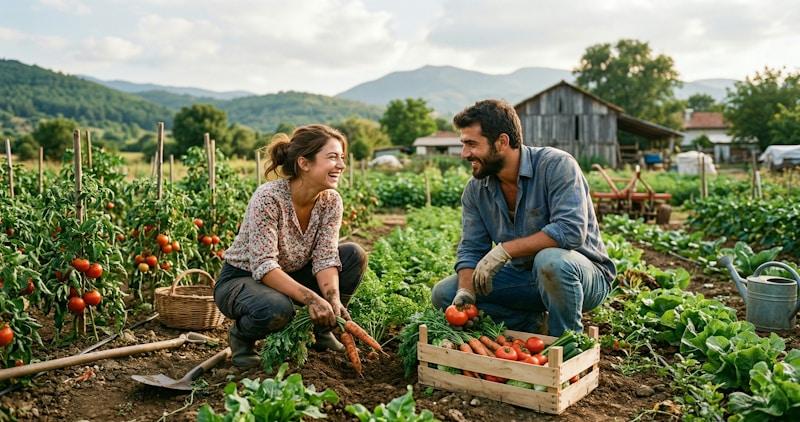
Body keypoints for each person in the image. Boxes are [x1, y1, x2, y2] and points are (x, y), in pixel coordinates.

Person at [431, 100, 615, 336]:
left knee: (550, 261)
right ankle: (532, 323)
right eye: (463, 144)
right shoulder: (476, 190)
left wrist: (504, 250)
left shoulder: (556, 165)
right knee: (444, 294)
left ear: (502, 142)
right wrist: (466, 291)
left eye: (472, 144)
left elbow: (570, 230)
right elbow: (471, 248)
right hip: (525, 279)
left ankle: (567, 342)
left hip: (582, 277)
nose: (465, 154)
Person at [214, 124, 367, 367]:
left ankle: (322, 330)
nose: (341, 165)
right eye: (332, 157)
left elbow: (326, 257)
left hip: (290, 273)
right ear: (304, 163)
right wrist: (311, 299)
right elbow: (264, 265)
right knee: (277, 308)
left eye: (342, 158)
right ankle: (242, 338)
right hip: (243, 280)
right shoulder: (269, 198)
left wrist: (333, 300)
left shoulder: (330, 201)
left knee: (352, 255)